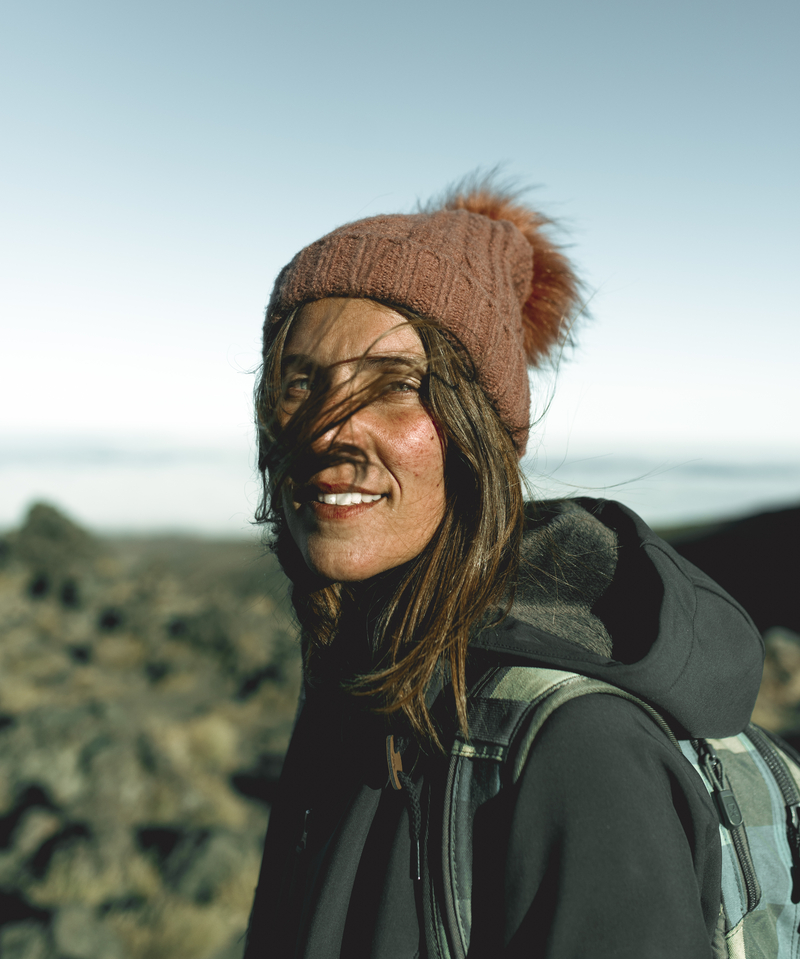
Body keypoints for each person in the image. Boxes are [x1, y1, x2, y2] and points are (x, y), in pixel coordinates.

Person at [243, 177, 763, 958]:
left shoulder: (574, 748)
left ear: (477, 430)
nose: (329, 431)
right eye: (301, 381)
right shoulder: (359, 673)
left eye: (396, 386)